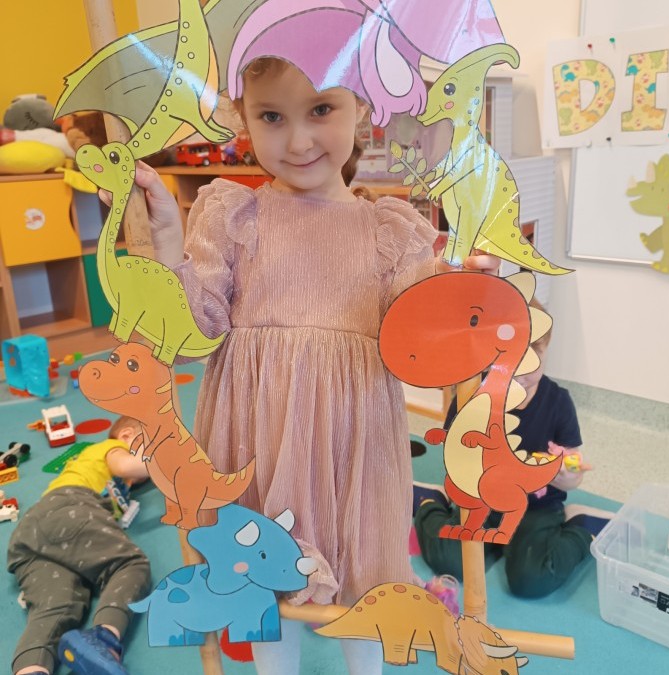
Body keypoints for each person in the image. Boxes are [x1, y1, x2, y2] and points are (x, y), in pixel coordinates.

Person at [124, 57, 499, 675]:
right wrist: (167, 242)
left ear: (361, 108)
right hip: (256, 435)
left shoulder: (392, 231)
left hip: (356, 441)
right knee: (263, 574)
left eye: (321, 109)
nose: (298, 141)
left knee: (366, 575)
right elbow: (192, 333)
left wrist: (466, 294)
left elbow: (422, 345)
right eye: (272, 116)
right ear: (243, 118)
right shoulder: (233, 216)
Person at [413, 299, 614, 599]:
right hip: (482, 498)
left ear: (546, 350)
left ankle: (581, 526)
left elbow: (573, 468)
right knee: (451, 561)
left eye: (535, 354)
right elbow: (455, 457)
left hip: (536, 507)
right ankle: (430, 502)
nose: (523, 368)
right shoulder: (471, 396)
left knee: (531, 581)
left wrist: (565, 475)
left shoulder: (558, 402)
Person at [8, 416, 151, 675]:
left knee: (57, 605)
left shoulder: (91, 467)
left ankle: (30, 669)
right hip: (72, 507)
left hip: (31, 533)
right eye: (152, 448)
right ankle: (103, 639)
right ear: (127, 435)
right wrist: (166, 464)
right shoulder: (111, 448)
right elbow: (126, 466)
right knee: (129, 564)